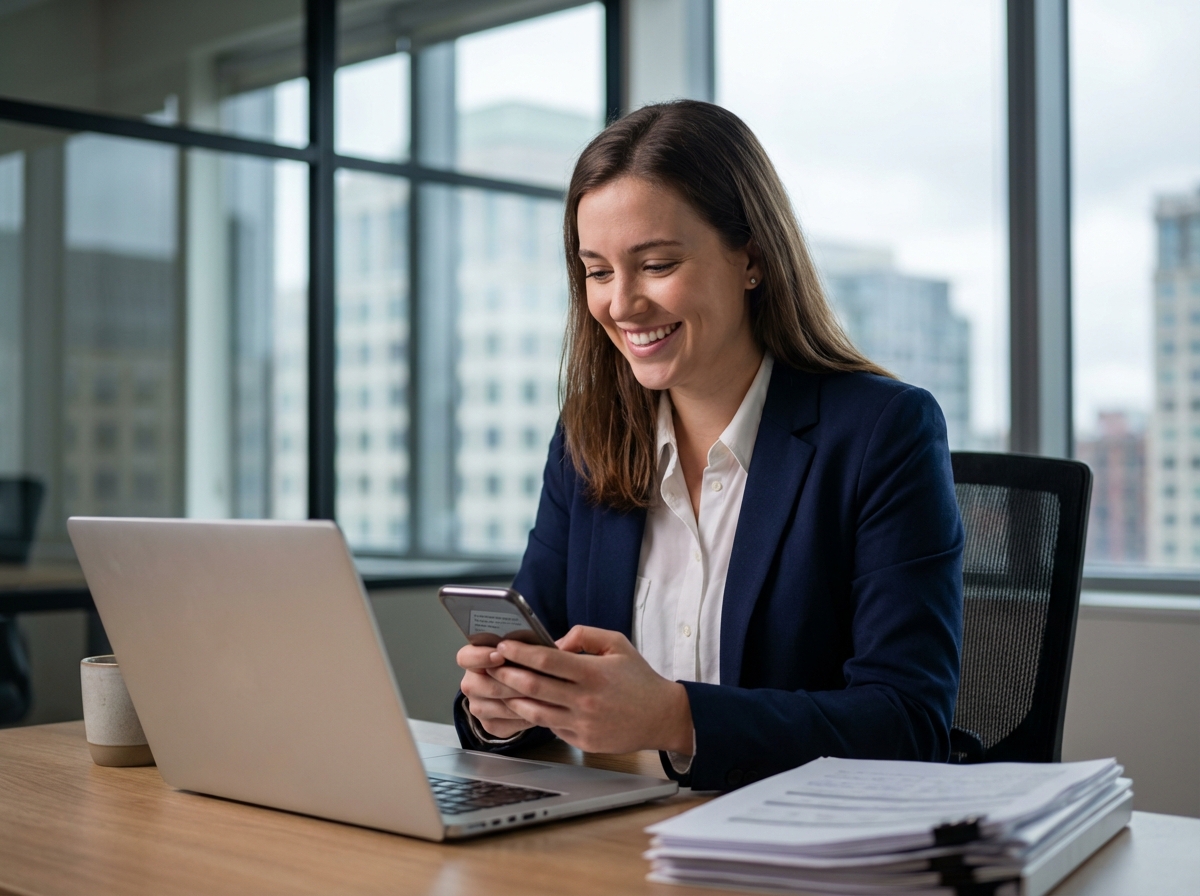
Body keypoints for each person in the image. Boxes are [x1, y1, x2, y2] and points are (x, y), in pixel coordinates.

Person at [453, 100, 964, 791]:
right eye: (597, 272)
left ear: (751, 258)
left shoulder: (883, 433)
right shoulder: (588, 438)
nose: (621, 304)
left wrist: (677, 718)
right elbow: (536, 657)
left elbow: (907, 724)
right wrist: (502, 709)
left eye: (657, 264)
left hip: (795, 835)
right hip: (622, 829)